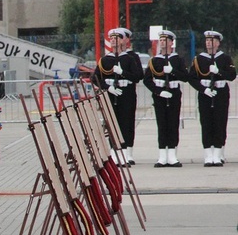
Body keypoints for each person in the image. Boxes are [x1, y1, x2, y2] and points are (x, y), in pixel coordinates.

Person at [188, 30, 237, 167]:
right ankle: (208, 154)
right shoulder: (199, 59)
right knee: (206, 122)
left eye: (212, 41)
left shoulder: (224, 58)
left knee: (219, 122)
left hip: (220, 93)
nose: (209, 43)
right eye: (207, 41)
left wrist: (219, 72)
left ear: (218, 43)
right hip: (206, 94)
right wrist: (203, 89)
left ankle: (217, 153)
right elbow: (191, 78)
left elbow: (232, 75)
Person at [93, 28, 140, 165]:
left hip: (126, 94)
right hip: (111, 94)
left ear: (122, 41)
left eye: (117, 38)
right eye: (111, 38)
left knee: (125, 123)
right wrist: (108, 88)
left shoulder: (129, 59)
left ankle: (124, 153)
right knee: (112, 124)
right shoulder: (105, 60)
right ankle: (114, 153)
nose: (113, 40)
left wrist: (123, 72)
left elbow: (137, 76)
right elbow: (95, 78)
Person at [143, 30, 189, 168]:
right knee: (162, 124)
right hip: (160, 96)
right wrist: (159, 92)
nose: (162, 43)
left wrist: (173, 71)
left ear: (171, 42)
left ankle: (172, 155)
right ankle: (162, 155)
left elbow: (185, 77)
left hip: (174, 94)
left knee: (173, 123)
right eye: (161, 40)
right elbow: (147, 80)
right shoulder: (154, 60)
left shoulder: (177, 60)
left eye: (165, 40)